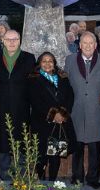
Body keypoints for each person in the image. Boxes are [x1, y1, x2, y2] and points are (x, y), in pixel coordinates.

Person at [67, 31, 100, 189]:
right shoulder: (70, 60)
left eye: (90, 43)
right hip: (77, 109)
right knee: (77, 147)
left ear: (95, 45)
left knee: (95, 148)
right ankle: (77, 177)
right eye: (84, 43)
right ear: (79, 45)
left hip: (96, 109)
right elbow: (65, 82)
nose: (87, 46)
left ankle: (93, 178)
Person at [0, 29, 36, 178]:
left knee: (22, 143)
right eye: (8, 39)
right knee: (3, 143)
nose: (11, 42)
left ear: (20, 40)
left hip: (21, 108)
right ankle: (5, 178)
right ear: (2, 40)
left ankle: (21, 179)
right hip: (0, 108)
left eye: (15, 39)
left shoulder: (29, 58)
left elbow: (34, 83)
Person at [27, 51, 75, 180]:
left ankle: (52, 183)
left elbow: (70, 96)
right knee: (41, 156)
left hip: (59, 125)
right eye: (44, 61)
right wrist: (53, 115)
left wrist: (63, 114)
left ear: (54, 64)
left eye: (50, 61)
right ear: (39, 64)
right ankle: (41, 184)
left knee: (55, 156)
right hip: (42, 123)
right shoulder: (33, 78)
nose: (47, 64)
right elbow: (34, 101)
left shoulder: (63, 78)